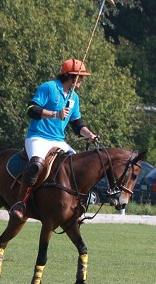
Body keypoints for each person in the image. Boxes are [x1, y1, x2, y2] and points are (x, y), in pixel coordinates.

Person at [9, 58, 99, 220]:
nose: (83, 80)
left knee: (77, 166)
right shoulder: (49, 87)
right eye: (81, 76)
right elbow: (32, 109)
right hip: (38, 137)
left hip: (58, 140)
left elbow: (77, 124)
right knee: (36, 164)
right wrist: (55, 114)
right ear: (71, 76)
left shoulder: (74, 98)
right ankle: (20, 204)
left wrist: (89, 135)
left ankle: (75, 207)